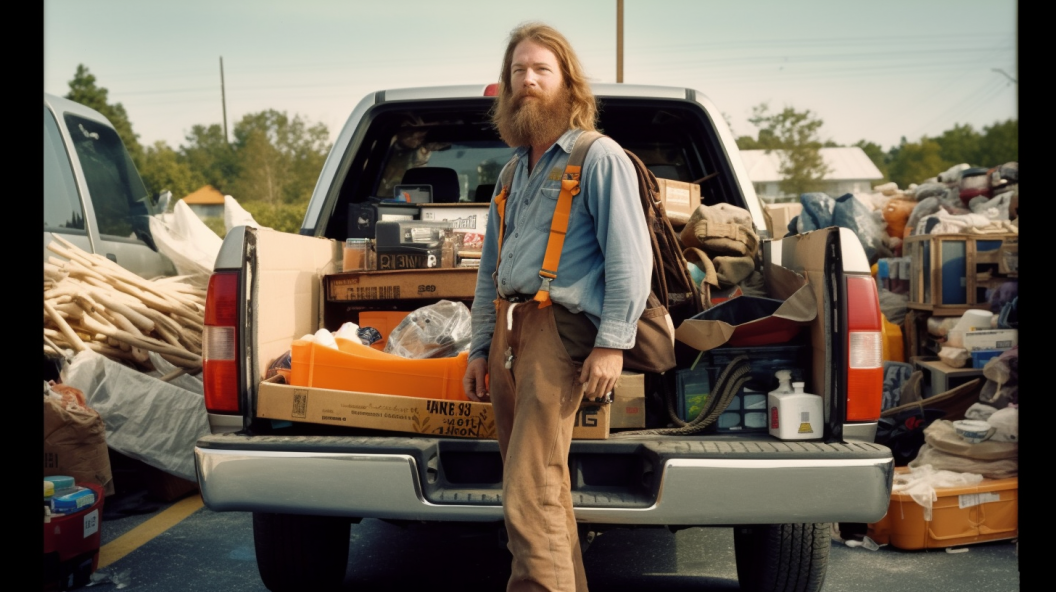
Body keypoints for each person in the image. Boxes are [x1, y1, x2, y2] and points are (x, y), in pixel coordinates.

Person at [462, 22, 651, 592]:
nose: (529, 80)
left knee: (527, 488)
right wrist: (479, 348)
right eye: (519, 70)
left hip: (560, 332)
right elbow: (490, 271)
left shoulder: (599, 157)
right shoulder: (513, 170)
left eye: (542, 69)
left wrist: (612, 345)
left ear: (569, 83)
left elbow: (629, 260)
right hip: (511, 334)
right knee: (543, 485)